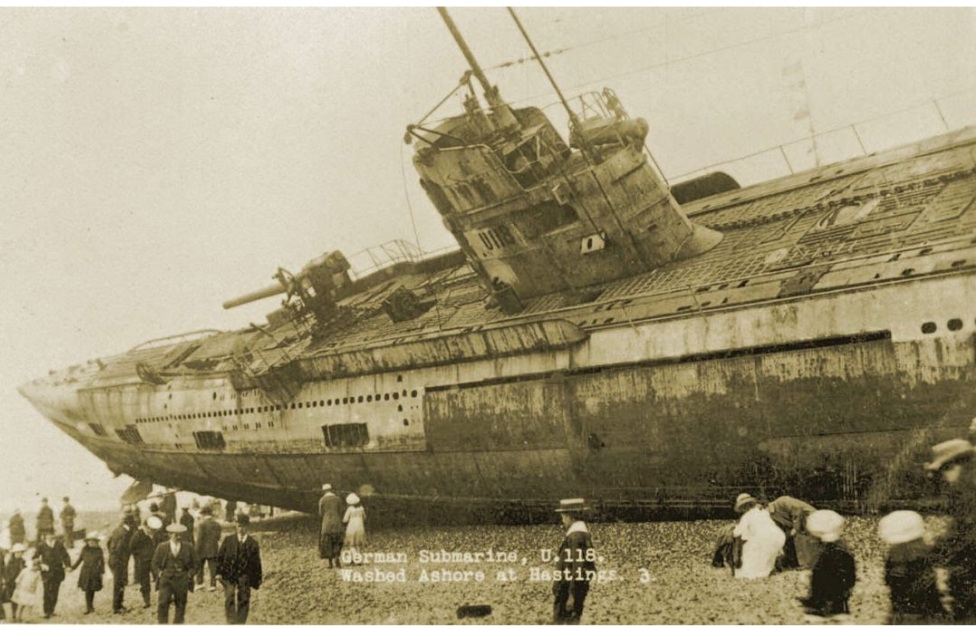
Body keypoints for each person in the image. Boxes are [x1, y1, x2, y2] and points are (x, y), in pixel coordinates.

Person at [925, 438, 976, 621]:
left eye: (944, 470)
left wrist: (937, 551)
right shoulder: (965, 488)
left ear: (956, 465)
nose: (944, 478)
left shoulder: (968, 491)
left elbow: (967, 532)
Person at [878, 510, 948, 624]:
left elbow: (895, 581)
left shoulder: (898, 554)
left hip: (908, 611)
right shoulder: (927, 551)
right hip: (927, 609)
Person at [800, 509, 856, 620]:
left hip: (822, 594)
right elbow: (850, 573)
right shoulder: (843, 549)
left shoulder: (822, 551)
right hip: (840, 594)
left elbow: (817, 574)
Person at [552, 498, 596, 625]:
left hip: (567, 593)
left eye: (563, 516)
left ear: (570, 517)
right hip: (575, 590)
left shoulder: (575, 537)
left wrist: (571, 595)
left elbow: (578, 567)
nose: (562, 520)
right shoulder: (582, 535)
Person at [216, 514, 263, 624]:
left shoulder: (252, 543)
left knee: (244, 597)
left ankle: (241, 622)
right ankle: (231, 622)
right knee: (229, 596)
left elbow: (257, 563)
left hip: (244, 574)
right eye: (238, 526)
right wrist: (218, 572)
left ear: (247, 527)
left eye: (242, 526)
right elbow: (220, 557)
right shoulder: (228, 540)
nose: (240, 529)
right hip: (229, 573)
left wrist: (257, 579)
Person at [151, 522, 197, 624]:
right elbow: (154, 563)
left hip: (182, 579)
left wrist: (189, 574)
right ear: (170, 534)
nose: (179, 537)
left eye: (180, 534)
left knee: (181, 604)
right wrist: (159, 573)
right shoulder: (162, 547)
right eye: (176, 534)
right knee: (163, 603)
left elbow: (195, 564)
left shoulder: (188, 547)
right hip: (166, 579)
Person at [731, 493, 785, 579]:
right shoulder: (763, 512)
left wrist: (735, 529)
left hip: (764, 539)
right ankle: (771, 566)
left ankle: (763, 569)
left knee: (748, 566)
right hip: (778, 536)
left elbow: (737, 533)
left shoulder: (746, 517)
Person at [766, 495, 816, 569]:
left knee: (800, 538)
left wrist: (795, 528)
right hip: (799, 525)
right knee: (788, 539)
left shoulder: (782, 501)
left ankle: (806, 564)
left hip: (808, 517)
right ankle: (794, 564)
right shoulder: (772, 516)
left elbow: (797, 509)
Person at [36, 530, 70, 619]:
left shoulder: (59, 544)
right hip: (46, 572)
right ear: (45, 536)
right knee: (47, 591)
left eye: (52, 534)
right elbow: (35, 558)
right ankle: (46, 611)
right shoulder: (41, 545)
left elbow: (65, 555)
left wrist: (68, 565)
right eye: (48, 535)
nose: (50, 536)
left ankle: (52, 610)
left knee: (55, 591)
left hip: (58, 571)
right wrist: (41, 565)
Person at [130, 515, 161, 609]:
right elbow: (131, 547)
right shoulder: (138, 535)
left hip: (153, 560)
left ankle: (164, 596)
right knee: (144, 581)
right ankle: (146, 600)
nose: (154, 531)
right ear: (147, 526)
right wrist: (140, 555)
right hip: (142, 562)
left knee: (159, 577)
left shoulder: (153, 535)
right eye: (152, 529)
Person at [70, 531, 105, 614]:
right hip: (86, 572)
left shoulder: (98, 550)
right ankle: (88, 607)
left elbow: (102, 562)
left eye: (93, 541)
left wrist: (101, 572)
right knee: (87, 590)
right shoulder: (84, 550)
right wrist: (72, 568)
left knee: (92, 589)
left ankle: (91, 606)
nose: (91, 542)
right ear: (87, 542)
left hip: (95, 572)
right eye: (89, 541)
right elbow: (79, 560)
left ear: (96, 542)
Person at [107, 511, 134, 614]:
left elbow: (109, 543)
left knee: (119, 582)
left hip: (113, 559)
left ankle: (119, 604)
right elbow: (121, 547)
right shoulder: (125, 533)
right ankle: (117, 607)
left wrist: (111, 553)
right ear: (130, 523)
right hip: (119, 561)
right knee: (119, 583)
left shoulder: (116, 530)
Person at [195, 505, 222, 592]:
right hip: (213, 548)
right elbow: (218, 537)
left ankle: (200, 583)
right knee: (213, 567)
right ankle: (213, 585)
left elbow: (199, 539)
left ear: (204, 514)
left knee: (200, 566)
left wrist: (196, 550)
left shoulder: (201, 524)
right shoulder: (217, 524)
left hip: (202, 549)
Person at [318, 484, 344, 568]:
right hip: (337, 522)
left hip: (326, 523)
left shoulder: (322, 500)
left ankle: (330, 562)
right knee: (337, 540)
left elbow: (320, 513)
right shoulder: (337, 499)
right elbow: (341, 510)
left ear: (324, 491)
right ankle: (337, 557)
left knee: (327, 542)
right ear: (331, 490)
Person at [12, 554, 42, 622]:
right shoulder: (25, 571)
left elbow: (37, 582)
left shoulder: (37, 573)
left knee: (30, 605)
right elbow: (18, 580)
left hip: (31, 591)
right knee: (20, 605)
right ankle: (18, 618)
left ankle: (27, 619)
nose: (35, 569)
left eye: (37, 567)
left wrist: (35, 589)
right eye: (34, 566)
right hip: (22, 590)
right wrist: (17, 589)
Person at [3, 543, 26, 620]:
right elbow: (6, 572)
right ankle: (13, 614)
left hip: (21, 583)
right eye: (17, 552)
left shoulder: (23, 561)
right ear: (14, 553)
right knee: (13, 599)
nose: (19, 554)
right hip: (11, 583)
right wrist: (8, 581)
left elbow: (26, 571)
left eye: (21, 552)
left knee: (21, 599)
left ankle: (19, 614)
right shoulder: (11, 562)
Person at [343, 493, 366, 561]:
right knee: (358, 544)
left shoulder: (350, 509)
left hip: (351, 527)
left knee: (352, 544)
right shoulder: (361, 509)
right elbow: (365, 518)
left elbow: (345, 520)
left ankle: (354, 558)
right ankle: (358, 558)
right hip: (360, 527)